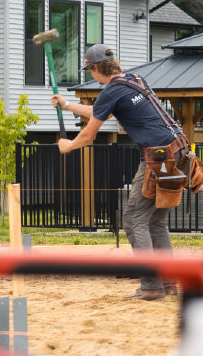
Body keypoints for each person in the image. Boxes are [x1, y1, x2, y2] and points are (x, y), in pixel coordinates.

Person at [53, 44, 186, 301]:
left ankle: (150, 286)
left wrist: (68, 145)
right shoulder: (134, 80)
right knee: (156, 221)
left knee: (134, 219)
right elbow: (101, 111)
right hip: (178, 150)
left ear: (94, 68)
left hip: (157, 156)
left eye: (89, 70)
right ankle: (168, 282)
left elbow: (89, 134)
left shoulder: (111, 91)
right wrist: (67, 105)